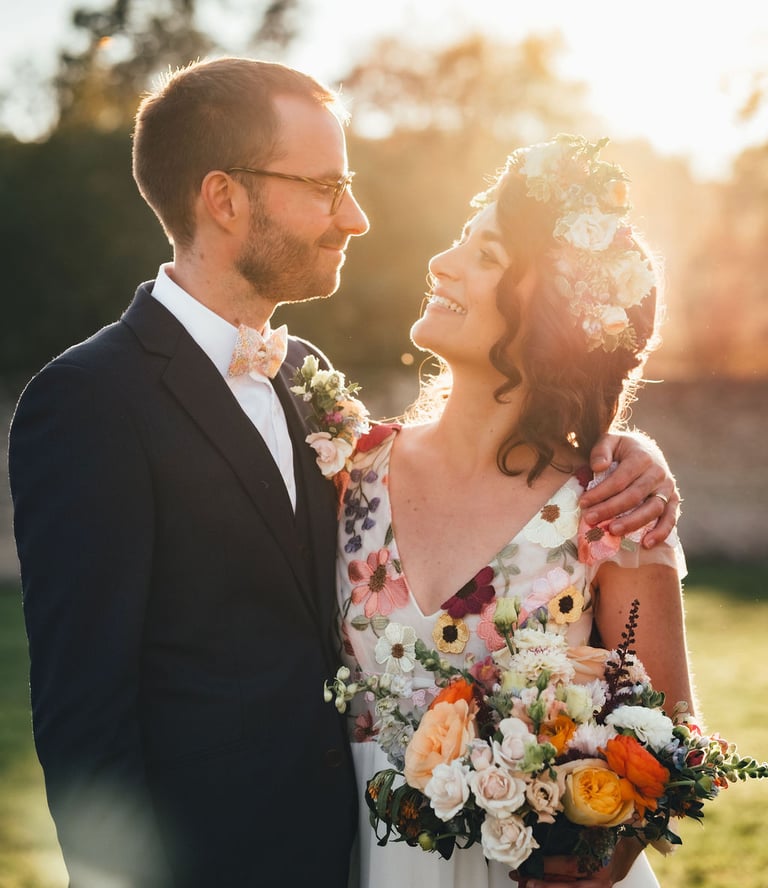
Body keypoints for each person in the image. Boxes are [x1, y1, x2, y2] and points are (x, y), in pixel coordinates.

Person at [8, 55, 676, 888]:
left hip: (350, 854)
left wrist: (627, 451)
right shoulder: (88, 401)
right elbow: (83, 718)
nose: (355, 217)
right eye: (325, 187)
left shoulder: (314, 390)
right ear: (225, 197)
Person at [336, 134, 694, 888]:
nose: (443, 262)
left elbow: (671, 735)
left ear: (557, 312)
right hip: (359, 854)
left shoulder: (612, 510)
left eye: (488, 252)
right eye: (461, 237)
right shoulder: (346, 468)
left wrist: (604, 859)